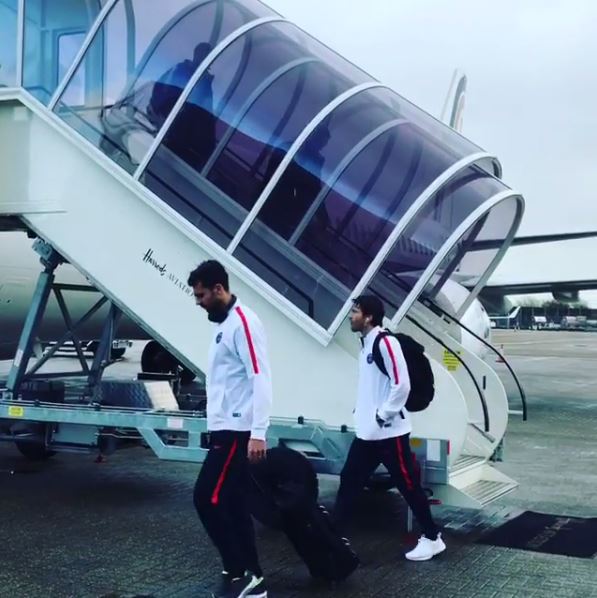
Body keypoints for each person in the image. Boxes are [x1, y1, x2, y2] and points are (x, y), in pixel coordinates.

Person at [333, 294, 446, 561]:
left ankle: (432, 537)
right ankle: (334, 538)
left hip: (389, 433)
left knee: (408, 485)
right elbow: (374, 387)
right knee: (349, 481)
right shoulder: (366, 345)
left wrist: (382, 415)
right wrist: (363, 412)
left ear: (369, 317)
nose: (351, 316)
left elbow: (401, 385)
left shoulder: (385, 343)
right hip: (369, 434)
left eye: (356, 311)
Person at [188, 260, 271, 598]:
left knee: (205, 498)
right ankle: (248, 574)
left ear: (219, 289)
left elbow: (260, 376)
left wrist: (258, 432)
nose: (198, 301)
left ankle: (243, 569)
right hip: (225, 428)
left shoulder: (243, 324)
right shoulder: (223, 325)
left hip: (238, 430)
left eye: (202, 295)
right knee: (234, 503)